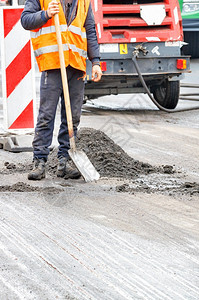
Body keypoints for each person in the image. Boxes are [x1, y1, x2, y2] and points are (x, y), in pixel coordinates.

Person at [21, 0, 102, 180]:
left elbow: (89, 31)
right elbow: (25, 20)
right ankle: (39, 161)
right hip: (53, 64)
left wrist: (95, 61)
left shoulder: (83, 2)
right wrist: (46, 14)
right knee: (46, 115)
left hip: (76, 65)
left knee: (72, 117)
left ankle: (64, 160)